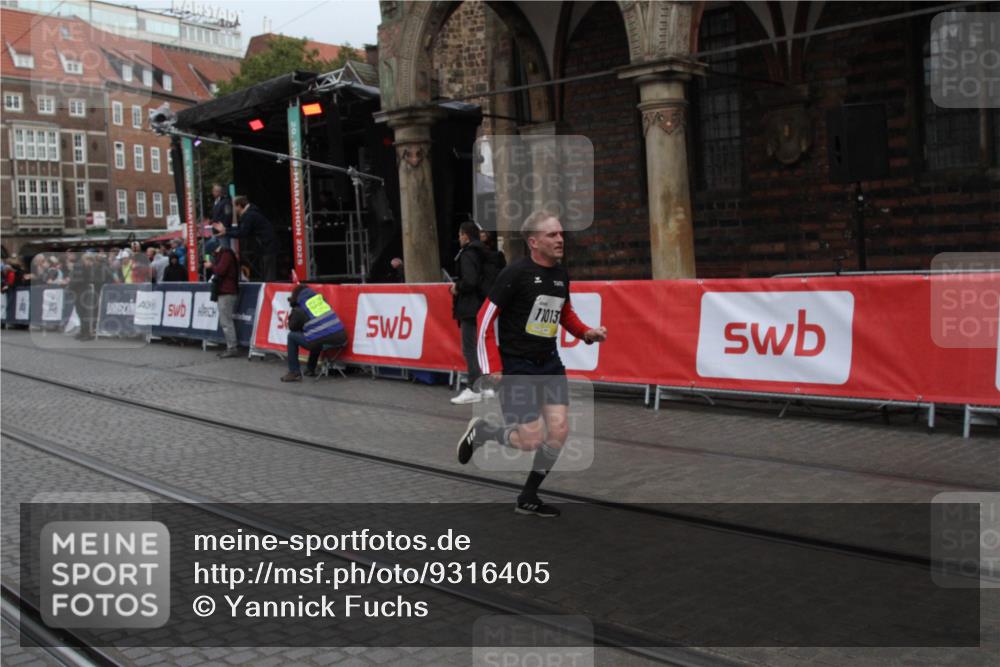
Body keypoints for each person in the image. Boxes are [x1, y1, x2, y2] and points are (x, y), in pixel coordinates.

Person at [457, 211, 608, 518]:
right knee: (531, 439)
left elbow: (563, 313)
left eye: (561, 234)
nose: (560, 239)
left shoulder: (561, 275)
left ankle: (528, 496)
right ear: (533, 241)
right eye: (552, 235)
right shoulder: (515, 274)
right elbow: (485, 319)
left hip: (550, 364)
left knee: (559, 432)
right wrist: (493, 368)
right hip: (518, 367)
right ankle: (485, 433)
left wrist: (585, 333)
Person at [450, 221, 491, 405]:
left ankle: (474, 387)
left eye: (460, 235)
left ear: (465, 235)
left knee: (469, 348)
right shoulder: (485, 252)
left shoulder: (468, 254)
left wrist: (457, 287)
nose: (459, 238)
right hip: (485, 305)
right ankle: (487, 387)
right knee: (482, 348)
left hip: (469, 307)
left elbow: (470, 280)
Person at [281, 284, 347, 382]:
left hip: (322, 339)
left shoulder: (300, 308)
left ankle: (294, 372)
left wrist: (293, 309)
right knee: (314, 334)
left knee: (292, 337)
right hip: (341, 337)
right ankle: (310, 369)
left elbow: (292, 326)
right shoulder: (321, 301)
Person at [213, 196, 276, 282]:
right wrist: (226, 230)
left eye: (234, 206)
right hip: (265, 246)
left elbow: (242, 233)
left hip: (267, 246)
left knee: (268, 273)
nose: (233, 209)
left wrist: (226, 232)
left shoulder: (249, 215)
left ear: (239, 206)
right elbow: (241, 230)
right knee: (265, 271)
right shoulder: (251, 213)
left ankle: (268, 291)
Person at [205, 243, 240, 358]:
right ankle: (231, 346)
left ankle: (232, 347)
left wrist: (211, 266)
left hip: (227, 292)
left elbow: (220, 271)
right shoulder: (224, 254)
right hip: (225, 291)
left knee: (226, 321)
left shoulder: (225, 254)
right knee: (225, 321)